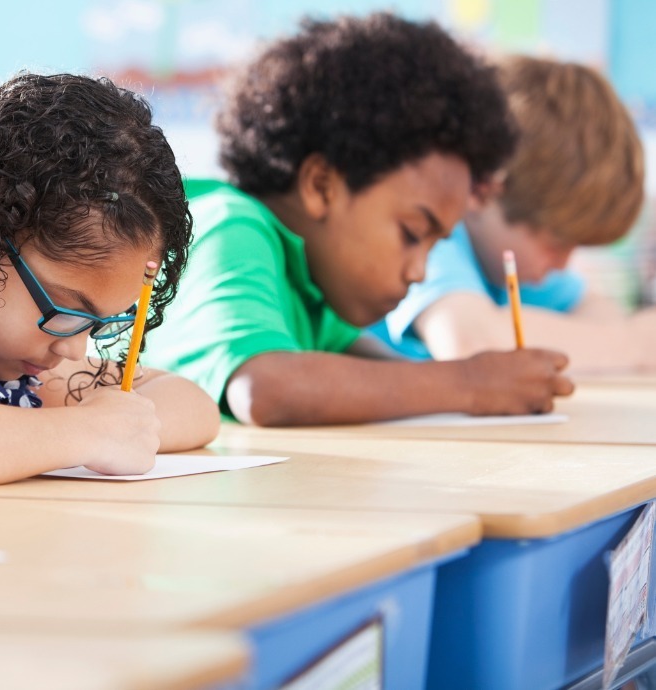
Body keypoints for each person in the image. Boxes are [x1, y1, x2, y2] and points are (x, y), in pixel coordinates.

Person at [143, 13, 574, 427]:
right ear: (321, 185)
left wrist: (500, 382)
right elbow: (266, 388)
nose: (419, 271)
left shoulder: (308, 284)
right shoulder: (230, 227)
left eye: (435, 245)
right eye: (412, 234)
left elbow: (376, 372)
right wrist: (472, 384)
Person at [0, 72, 220, 486]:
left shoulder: (11, 366)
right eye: (65, 309)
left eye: (97, 324)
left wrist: (118, 424)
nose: (73, 349)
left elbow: (192, 404)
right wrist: (85, 432)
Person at [384, 55, 654, 373]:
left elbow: (597, 312)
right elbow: (469, 344)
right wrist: (632, 342)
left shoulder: (504, 260)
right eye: (555, 244)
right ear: (486, 191)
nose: (563, 264)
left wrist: (620, 338)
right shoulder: (432, 237)